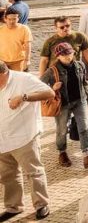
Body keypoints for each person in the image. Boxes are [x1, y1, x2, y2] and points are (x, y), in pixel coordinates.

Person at [0, 60, 54, 220]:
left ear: (3, 73)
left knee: (34, 172)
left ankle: (42, 204)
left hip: (24, 137)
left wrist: (24, 97)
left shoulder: (23, 79)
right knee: (8, 176)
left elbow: (49, 93)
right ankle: (14, 207)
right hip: (2, 140)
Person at [41, 42, 88, 169]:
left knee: (84, 128)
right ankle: (62, 153)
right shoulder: (52, 71)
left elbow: (84, 84)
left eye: (70, 53)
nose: (68, 56)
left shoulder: (80, 65)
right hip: (63, 104)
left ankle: (87, 156)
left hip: (80, 101)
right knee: (62, 130)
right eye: (64, 54)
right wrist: (52, 88)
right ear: (58, 56)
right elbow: (39, 85)